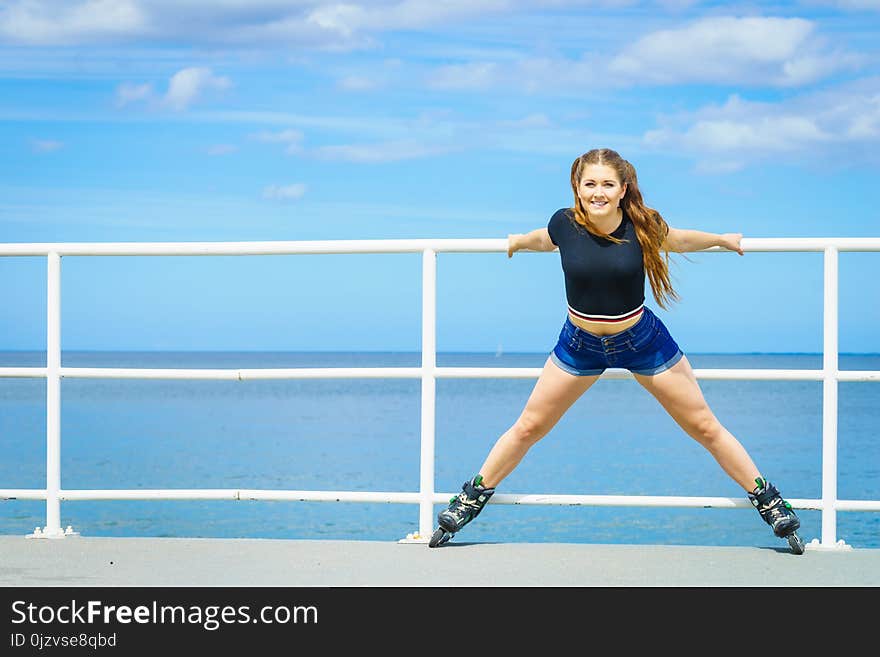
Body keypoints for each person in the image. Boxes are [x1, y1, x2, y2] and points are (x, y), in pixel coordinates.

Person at [428, 147, 804, 552]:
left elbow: (677, 239)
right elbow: (544, 239)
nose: (598, 192)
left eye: (607, 184)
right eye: (590, 183)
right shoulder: (564, 223)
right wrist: (517, 241)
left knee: (705, 427)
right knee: (529, 427)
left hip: (642, 341)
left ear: (623, 188)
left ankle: (769, 502)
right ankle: (469, 499)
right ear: (577, 186)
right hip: (579, 345)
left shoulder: (643, 225)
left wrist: (721, 240)